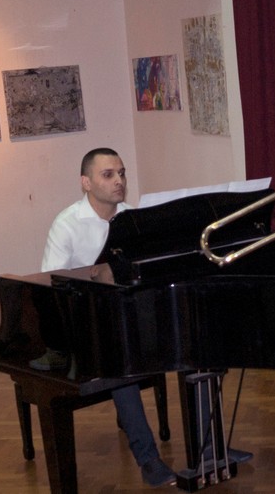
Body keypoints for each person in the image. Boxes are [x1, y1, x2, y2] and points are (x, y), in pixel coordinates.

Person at [30, 147, 176, 488]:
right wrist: (95, 278)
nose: (119, 181)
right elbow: (53, 285)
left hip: (125, 315)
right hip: (81, 324)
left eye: (121, 173)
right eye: (108, 175)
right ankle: (148, 459)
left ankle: (211, 447)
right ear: (86, 182)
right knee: (118, 359)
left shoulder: (131, 217)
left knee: (186, 339)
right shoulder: (66, 224)